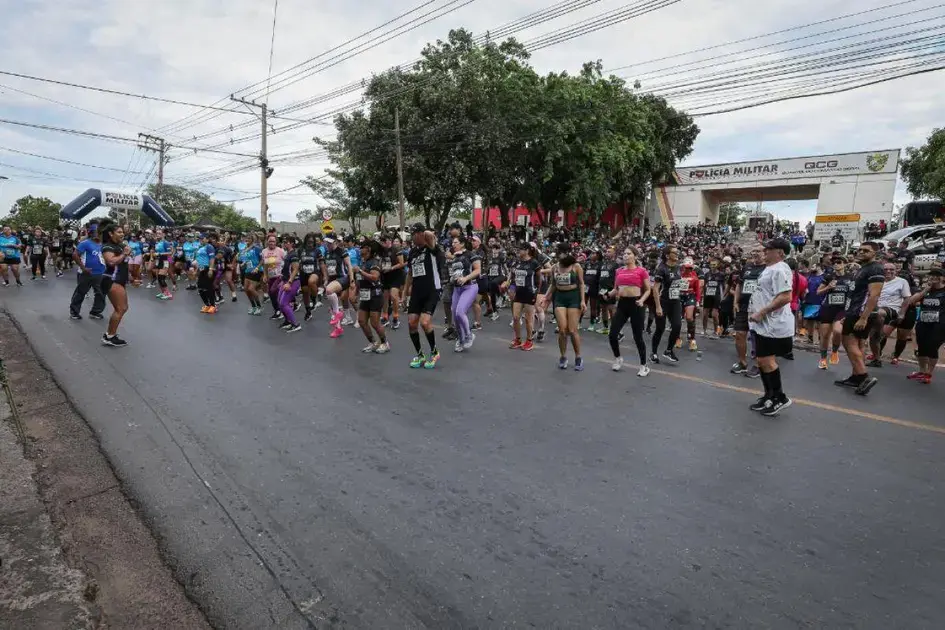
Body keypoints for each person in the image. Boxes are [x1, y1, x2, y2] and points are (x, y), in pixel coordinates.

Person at [747, 238, 795, 416]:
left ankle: (780, 397)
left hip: (774, 324)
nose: (765, 251)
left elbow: (785, 297)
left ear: (780, 253)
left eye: (769, 249)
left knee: (768, 361)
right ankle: (769, 395)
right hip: (763, 324)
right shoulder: (770, 269)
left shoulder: (780, 269)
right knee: (761, 361)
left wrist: (762, 312)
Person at [834, 242, 884, 395]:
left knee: (849, 343)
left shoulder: (875, 268)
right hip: (853, 312)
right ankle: (856, 376)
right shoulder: (862, 268)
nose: (861, 252)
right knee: (855, 343)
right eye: (860, 250)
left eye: (866, 251)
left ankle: (863, 376)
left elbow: (874, 294)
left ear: (875, 253)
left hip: (860, 313)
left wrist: (863, 318)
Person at [605, 246, 651, 376]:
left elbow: (648, 289)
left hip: (636, 304)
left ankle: (643, 366)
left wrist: (642, 300)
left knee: (638, 337)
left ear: (635, 256)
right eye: (624, 253)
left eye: (628, 254)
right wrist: (607, 295)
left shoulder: (642, 271)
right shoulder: (619, 271)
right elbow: (616, 289)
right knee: (613, 334)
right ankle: (618, 358)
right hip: (622, 304)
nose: (625, 256)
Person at [541, 243, 586, 370]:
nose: (558, 254)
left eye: (560, 252)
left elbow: (582, 284)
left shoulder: (576, 266)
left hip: (573, 297)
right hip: (559, 297)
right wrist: (546, 296)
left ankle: (578, 357)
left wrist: (582, 301)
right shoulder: (555, 267)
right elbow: (553, 284)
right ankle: (563, 356)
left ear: (566, 252)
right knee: (562, 330)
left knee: (572, 330)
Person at [404, 224, 443, 369]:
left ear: (421, 234)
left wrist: (424, 230)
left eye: (415, 234)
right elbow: (409, 274)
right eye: (411, 234)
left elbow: (431, 236)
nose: (413, 237)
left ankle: (434, 352)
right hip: (417, 291)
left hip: (432, 289)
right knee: (412, 323)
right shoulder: (412, 252)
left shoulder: (431, 248)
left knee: (425, 323)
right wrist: (404, 293)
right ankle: (420, 354)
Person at [905, 269, 945, 383]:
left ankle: (929, 373)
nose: (934, 277)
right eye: (932, 275)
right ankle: (922, 371)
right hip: (923, 322)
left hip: (939, 324)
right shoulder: (926, 289)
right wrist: (925, 290)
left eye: (938, 275)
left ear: (943, 278)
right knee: (921, 348)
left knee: (932, 347)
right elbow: (911, 301)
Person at [731, 247, 765, 376]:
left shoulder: (767, 269)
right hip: (743, 306)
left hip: (759, 307)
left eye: (758, 251)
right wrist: (735, 302)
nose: (755, 254)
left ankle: (758, 365)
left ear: (765, 253)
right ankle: (742, 362)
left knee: (758, 337)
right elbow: (739, 285)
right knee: (739, 334)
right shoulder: (747, 267)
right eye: (754, 251)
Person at [353, 239, 390, 353]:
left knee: (374, 322)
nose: (360, 249)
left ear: (368, 249)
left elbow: (374, 277)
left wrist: (360, 271)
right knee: (362, 321)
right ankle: (373, 342)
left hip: (375, 295)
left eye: (362, 247)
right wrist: (355, 293)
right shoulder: (363, 262)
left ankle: (385, 343)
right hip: (365, 296)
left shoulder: (374, 262)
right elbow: (360, 280)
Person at [98, 220, 130, 347]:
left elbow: (124, 264)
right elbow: (111, 261)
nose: (122, 234)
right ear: (111, 234)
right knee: (120, 308)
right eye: (119, 232)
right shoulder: (107, 246)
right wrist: (124, 254)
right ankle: (109, 336)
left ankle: (109, 335)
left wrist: (131, 277)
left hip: (119, 279)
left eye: (123, 232)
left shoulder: (120, 246)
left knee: (122, 308)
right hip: (111, 279)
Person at [69, 224, 107, 320]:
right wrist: (83, 268)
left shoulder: (103, 244)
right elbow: (75, 255)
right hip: (86, 273)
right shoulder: (85, 243)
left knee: (100, 293)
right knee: (80, 292)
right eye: (96, 232)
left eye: (100, 232)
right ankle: (74, 312)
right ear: (91, 233)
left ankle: (95, 312)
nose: (98, 234)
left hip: (100, 273)